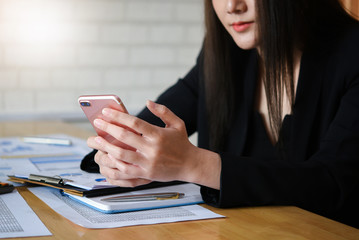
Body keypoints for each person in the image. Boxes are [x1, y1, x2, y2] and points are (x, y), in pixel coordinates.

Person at [83, 0, 359, 228]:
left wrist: (195, 164)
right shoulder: (228, 51)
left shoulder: (351, 53)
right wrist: (120, 154)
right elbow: (149, 129)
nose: (231, 6)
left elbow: (334, 185)